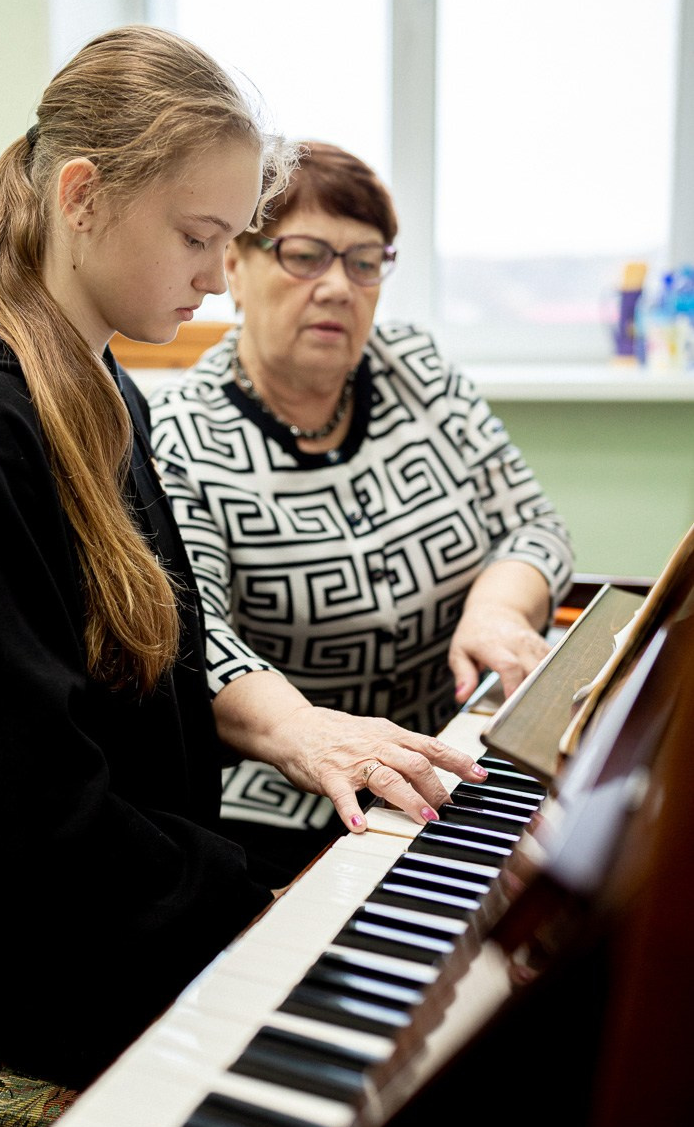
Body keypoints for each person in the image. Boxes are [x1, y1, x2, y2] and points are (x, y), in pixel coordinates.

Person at [0, 36, 492, 1089]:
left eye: (230, 239)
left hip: (147, 888)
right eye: (198, 236)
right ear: (84, 196)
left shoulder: (107, 392)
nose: (217, 276)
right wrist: (249, 901)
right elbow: (25, 811)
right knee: (405, 1077)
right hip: (57, 951)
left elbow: (163, 688)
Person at [149, 141, 574, 885]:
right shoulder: (179, 433)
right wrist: (305, 732)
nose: (339, 288)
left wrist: (496, 612)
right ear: (235, 270)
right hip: (290, 797)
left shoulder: (416, 368)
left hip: (459, 755)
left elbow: (531, 524)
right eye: (306, 255)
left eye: (364, 261)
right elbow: (191, 637)